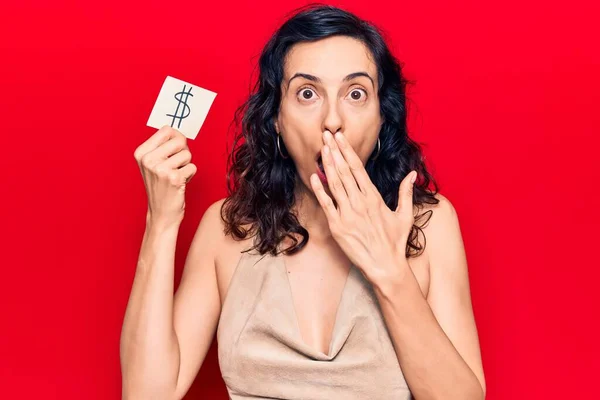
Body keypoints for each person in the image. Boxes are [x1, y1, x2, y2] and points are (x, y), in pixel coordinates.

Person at [120, 4, 486, 400]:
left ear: (382, 117)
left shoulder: (428, 223)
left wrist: (390, 272)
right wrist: (161, 221)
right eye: (308, 93)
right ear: (276, 118)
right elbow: (146, 395)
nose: (332, 120)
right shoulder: (228, 228)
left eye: (356, 93)